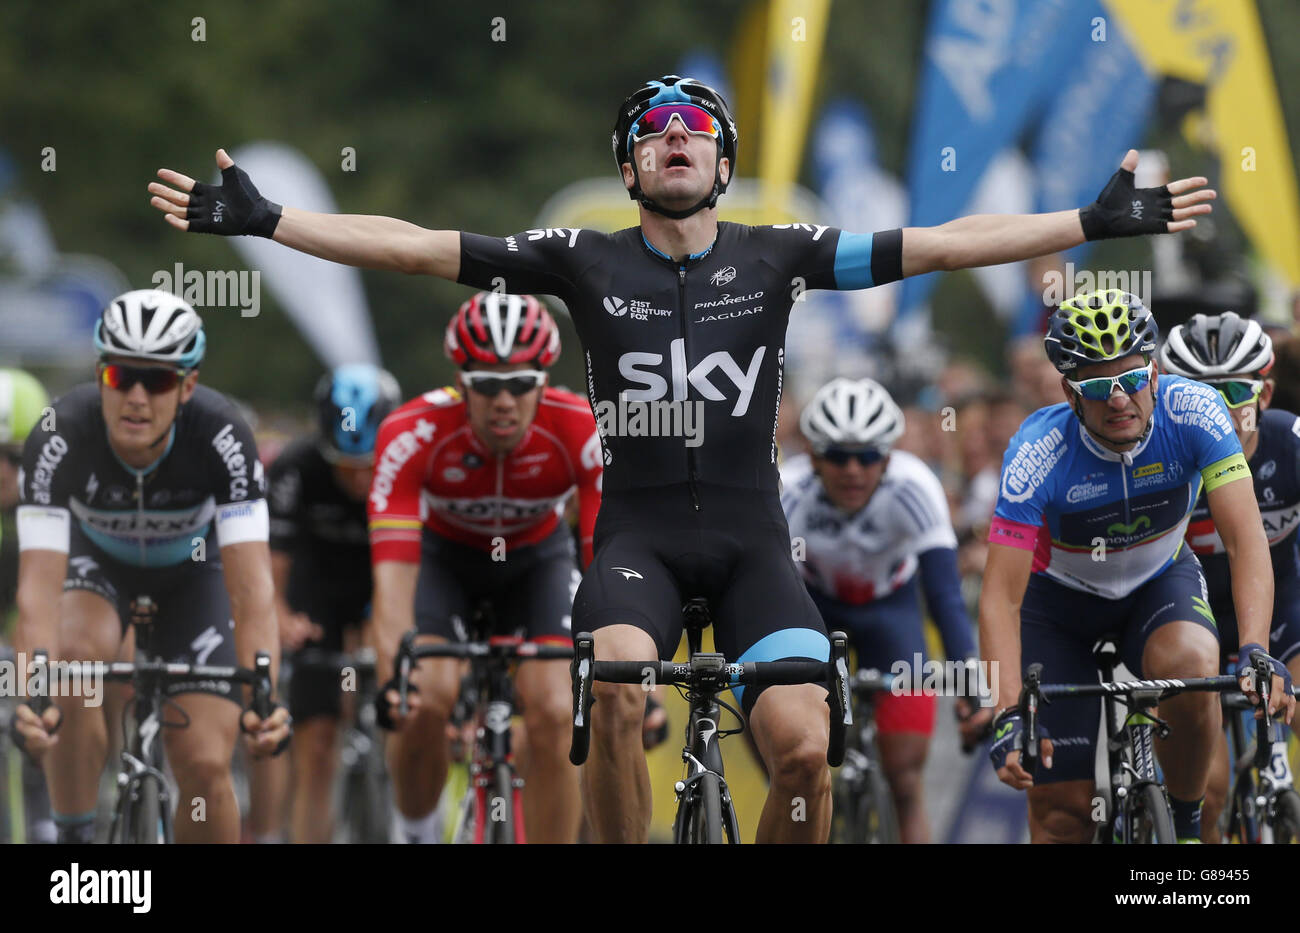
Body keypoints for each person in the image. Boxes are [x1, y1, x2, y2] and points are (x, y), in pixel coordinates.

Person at [149, 74, 1218, 842]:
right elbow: (419, 245)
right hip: (639, 543)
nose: (674, 138)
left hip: (754, 543)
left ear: (721, 162)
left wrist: (1085, 219)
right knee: (614, 685)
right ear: (628, 166)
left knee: (802, 746)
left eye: (694, 128)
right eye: (653, 131)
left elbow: (940, 242)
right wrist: (273, 221)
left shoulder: (780, 255)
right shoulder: (578, 258)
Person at [980, 289, 1295, 844]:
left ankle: (1187, 827)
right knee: (1061, 813)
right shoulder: (1036, 451)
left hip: (1158, 583)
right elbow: (1001, 597)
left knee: (1195, 664)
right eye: (1098, 387)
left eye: (1132, 379)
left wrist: (1254, 647)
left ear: (1154, 373)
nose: (1119, 399)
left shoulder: (1196, 412)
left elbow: (1247, 544)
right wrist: (1007, 711)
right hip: (1057, 608)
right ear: (1068, 393)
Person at [9, 289, 290, 844]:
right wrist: (30, 692)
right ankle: (75, 842)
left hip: (194, 573)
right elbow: (37, 594)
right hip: (97, 569)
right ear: (99, 374)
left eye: (157, 381)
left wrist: (265, 695)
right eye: (121, 377)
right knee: (71, 665)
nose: (137, 397)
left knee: (207, 764)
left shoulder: (223, 434)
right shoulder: (58, 434)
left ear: (187, 386)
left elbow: (252, 589)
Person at [367, 291, 601, 844]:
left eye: (520, 384)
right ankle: (417, 830)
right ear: (460, 381)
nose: (504, 400)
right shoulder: (411, 432)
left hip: (536, 563)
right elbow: (393, 577)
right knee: (426, 695)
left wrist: (632, 682)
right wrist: (391, 675)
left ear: (543, 381)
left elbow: (606, 565)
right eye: (487, 385)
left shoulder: (580, 428)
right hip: (445, 562)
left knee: (554, 708)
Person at [780, 376, 991, 842]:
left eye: (869, 455)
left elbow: (943, 594)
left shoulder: (914, 485)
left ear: (889, 456)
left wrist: (969, 679)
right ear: (813, 456)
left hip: (890, 610)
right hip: (814, 609)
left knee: (906, 781)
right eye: (837, 456)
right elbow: (773, 592)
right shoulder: (790, 489)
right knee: (793, 753)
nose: (853, 469)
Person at [1158, 312, 1300, 841]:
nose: (1217, 407)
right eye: (1199, 391)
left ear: (1264, 394)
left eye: (1233, 391)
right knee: (1208, 792)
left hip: (1281, 603)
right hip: (1195, 618)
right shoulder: (1164, 462)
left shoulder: (1290, 442)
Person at [264, 362, 401, 843]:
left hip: (383, 588)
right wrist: (280, 617)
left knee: (404, 713)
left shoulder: (408, 464)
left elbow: (419, 570)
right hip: (315, 592)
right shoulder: (296, 466)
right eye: (347, 466)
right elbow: (271, 558)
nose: (360, 480)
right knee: (317, 745)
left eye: (370, 467)